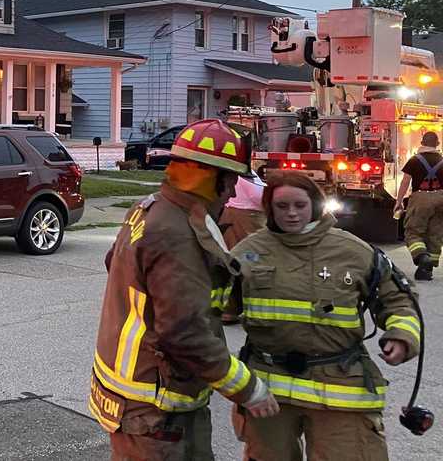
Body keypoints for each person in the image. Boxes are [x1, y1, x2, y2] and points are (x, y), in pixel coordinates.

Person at [90, 119, 278, 460]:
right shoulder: (177, 232)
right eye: (231, 182)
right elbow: (184, 333)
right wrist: (249, 390)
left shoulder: (150, 208)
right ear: (214, 178)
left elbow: (114, 263)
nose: (234, 193)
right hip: (156, 406)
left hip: (136, 395)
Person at [230, 172, 420, 461]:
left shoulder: (354, 251)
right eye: (282, 206)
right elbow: (209, 310)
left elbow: (399, 300)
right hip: (268, 388)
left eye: (299, 205)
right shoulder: (247, 253)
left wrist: (403, 337)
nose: (291, 213)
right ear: (268, 207)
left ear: (316, 205)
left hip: (341, 385)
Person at [218, 174, 267, 324]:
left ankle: (230, 309)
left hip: (236, 216)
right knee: (251, 263)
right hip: (246, 219)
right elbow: (258, 197)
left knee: (233, 262)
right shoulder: (245, 175)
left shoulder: (239, 173)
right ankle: (244, 309)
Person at [395, 130, 443, 281]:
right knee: (435, 234)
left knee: (413, 231)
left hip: (420, 198)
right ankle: (427, 269)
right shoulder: (442, 160)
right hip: (440, 198)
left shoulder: (415, 160)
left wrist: (399, 201)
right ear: (438, 144)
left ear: (422, 143)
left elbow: (405, 182)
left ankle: (422, 258)